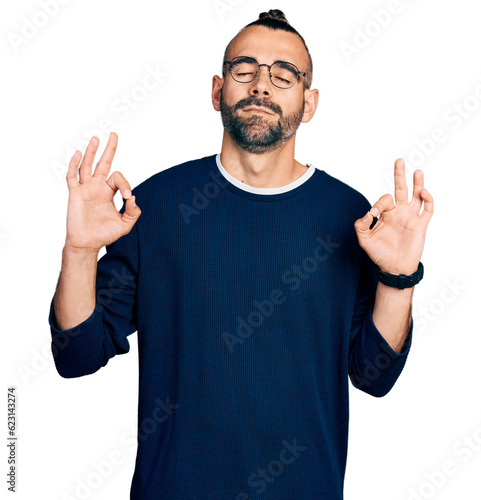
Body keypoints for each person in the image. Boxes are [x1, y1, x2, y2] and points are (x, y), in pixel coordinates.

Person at [48, 9, 433, 499]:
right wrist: (79, 250)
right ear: (217, 90)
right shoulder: (157, 207)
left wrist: (399, 277)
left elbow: (373, 376)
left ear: (309, 102)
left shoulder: (350, 217)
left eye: (283, 74)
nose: (261, 86)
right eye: (244, 70)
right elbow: (77, 356)